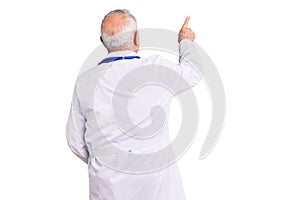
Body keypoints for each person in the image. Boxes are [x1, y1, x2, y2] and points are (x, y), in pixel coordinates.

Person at [66, 9, 202, 200]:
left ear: (102, 41)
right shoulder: (156, 69)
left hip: (107, 188)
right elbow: (193, 72)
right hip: (157, 187)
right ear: (137, 38)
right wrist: (185, 40)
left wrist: (106, 162)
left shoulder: (84, 82)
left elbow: (75, 140)